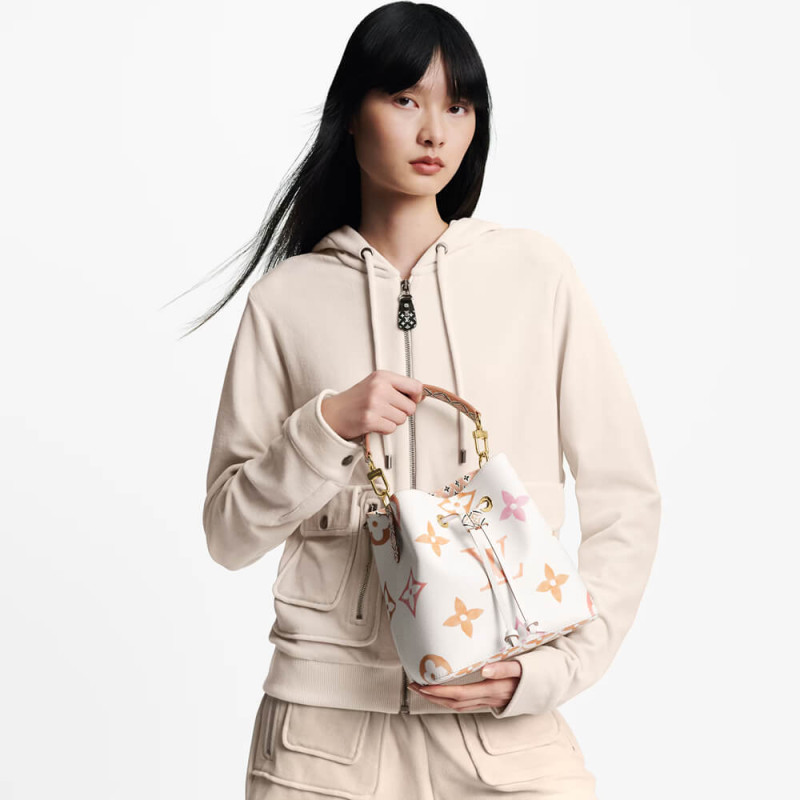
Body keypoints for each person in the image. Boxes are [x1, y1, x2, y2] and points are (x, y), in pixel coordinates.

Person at [198, 3, 661, 798]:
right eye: (405, 99)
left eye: (459, 105)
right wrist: (326, 427)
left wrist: (554, 670)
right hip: (324, 740)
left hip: (505, 730)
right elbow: (228, 533)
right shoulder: (286, 301)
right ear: (353, 113)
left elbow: (627, 499)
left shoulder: (535, 274)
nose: (434, 132)